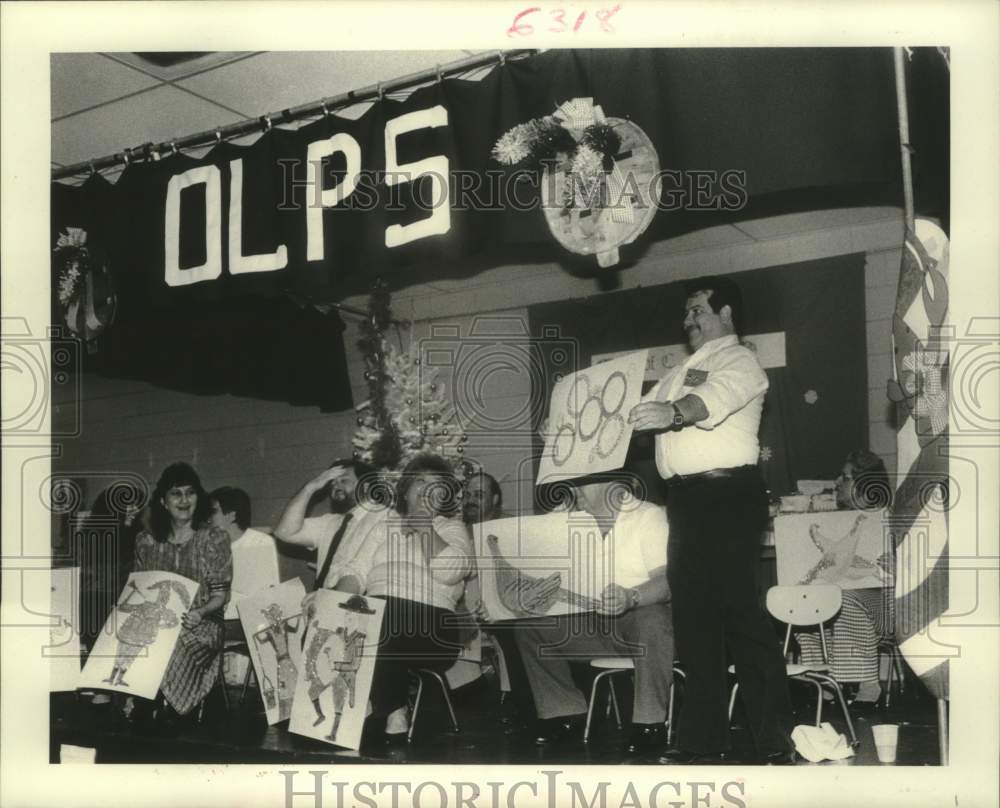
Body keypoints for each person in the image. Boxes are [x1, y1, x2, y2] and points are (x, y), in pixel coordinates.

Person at [628, 275, 795, 765]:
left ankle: (775, 739)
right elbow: (636, 415)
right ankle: (702, 740)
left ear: (727, 314)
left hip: (727, 496)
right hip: (685, 503)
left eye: (697, 311)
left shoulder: (740, 360)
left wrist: (673, 414)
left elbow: (710, 403)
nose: (687, 321)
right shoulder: (677, 372)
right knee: (693, 620)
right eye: (685, 313)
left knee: (741, 615)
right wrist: (578, 430)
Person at [305, 453, 474, 742]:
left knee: (381, 614)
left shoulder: (451, 529)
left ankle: (386, 707)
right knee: (338, 614)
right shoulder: (384, 526)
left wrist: (423, 526)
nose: (425, 490)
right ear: (406, 489)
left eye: (436, 486)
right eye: (419, 482)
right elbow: (356, 574)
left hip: (433, 628)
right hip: (380, 617)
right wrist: (328, 600)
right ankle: (377, 708)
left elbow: (451, 571)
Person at [512, 471, 674, 754]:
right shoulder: (566, 520)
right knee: (529, 625)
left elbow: (668, 582)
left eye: (580, 484)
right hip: (586, 622)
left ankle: (650, 724)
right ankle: (563, 714)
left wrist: (630, 597)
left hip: (637, 620)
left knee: (653, 618)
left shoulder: (648, 517)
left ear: (608, 481)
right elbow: (539, 577)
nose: (574, 492)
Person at [131, 462, 233, 718]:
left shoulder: (213, 538)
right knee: (131, 633)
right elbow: (139, 589)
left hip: (200, 624)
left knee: (168, 643)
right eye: (176, 493)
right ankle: (142, 706)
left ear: (199, 498)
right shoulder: (147, 541)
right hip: (157, 622)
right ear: (164, 502)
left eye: (190, 492)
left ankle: (161, 709)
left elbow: (222, 595)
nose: (184, 499)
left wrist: (200, 612)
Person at [796, 449, 895, 707]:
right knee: (805, 603)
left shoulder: (891, 520)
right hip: (844, 598)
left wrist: (896, 563)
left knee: (845, 600)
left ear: (863, 484)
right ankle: (822, 681)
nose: (837, 482)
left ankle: (868, 684)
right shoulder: (830, 520)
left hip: (887, 608)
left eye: (845, 477)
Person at [273, 458, 387, 594]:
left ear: (366, 486)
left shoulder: (384, 517)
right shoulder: (330, 522)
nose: (336, 487)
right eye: (332, 483)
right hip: (323, 603)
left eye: (343, 480)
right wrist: (310, 488)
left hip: (356, 606)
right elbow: (284, 532)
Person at [207, 486, 279, 619]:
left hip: (245, 620)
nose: (208, 519)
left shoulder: (260, 543)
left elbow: (264, 595)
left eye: (213, 512)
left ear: (231, 516)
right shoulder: (209, 544)